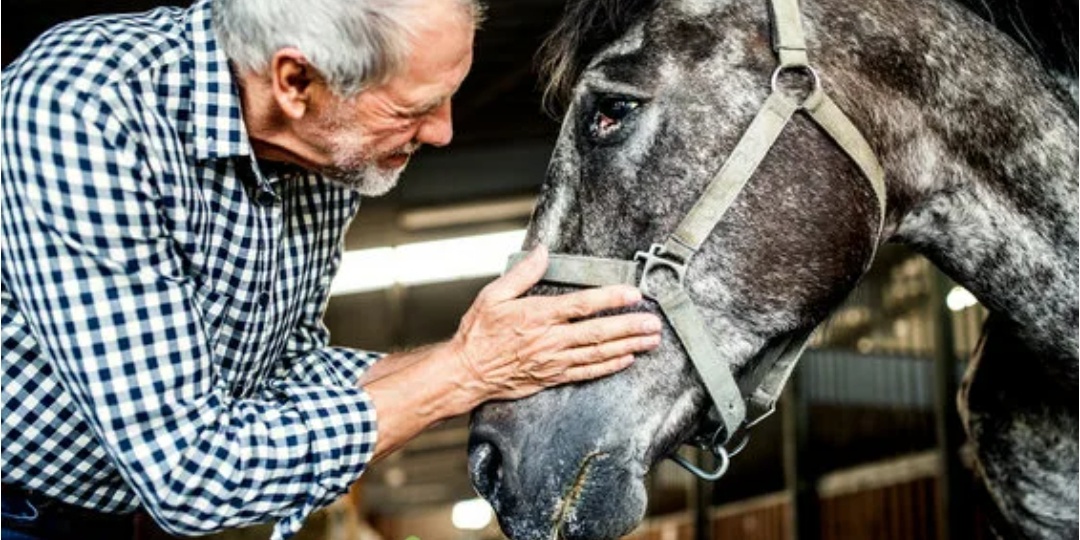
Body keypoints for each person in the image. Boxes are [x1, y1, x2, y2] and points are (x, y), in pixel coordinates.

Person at [0, 0, 663, 539]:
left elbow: (281, 371)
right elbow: (191, 475)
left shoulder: (324, 148)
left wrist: (506, 361)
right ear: (295, 81)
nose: (442, 132)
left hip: (106, 512)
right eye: (412, 109)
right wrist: (466, 371)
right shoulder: (84, 114)